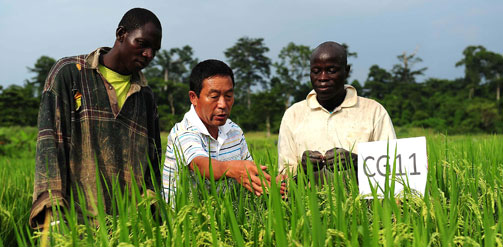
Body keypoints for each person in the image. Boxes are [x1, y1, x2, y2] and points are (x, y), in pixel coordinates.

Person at [30, 8, 163, 229]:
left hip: (128, 230)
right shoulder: (70, 75)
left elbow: (152, 166)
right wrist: (52, 217)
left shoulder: (145, 97)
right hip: (75, 224)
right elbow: (49, 147)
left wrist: (153, 219)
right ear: (121, 34)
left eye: (154, 50)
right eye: (142, 44)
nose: (148, 54)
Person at [277, 41, 396, 181]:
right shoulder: (294, 115)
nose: (322, 78)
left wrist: (357, 162)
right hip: (309, 202)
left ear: (346, 71)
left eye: (331, 70)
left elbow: (393, 167)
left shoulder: (373, 111)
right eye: (316, 71)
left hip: (363, 202)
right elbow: (284, 178)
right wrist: (303, 170)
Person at [163, 59, 276, 204]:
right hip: (187, 221)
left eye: (228, 96)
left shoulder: (234, 131)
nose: (223, 104)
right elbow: (199, 164)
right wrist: (230, 168)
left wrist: (273, 183)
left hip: (225, 220)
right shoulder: (183, 132)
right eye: (214, 97)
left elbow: (248, 174)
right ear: (194, 98)